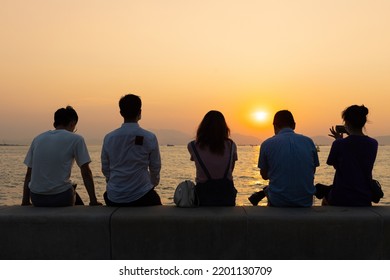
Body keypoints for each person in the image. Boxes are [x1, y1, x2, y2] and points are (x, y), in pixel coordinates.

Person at [22, 106, 101, 207]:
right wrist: (93, 201)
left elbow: (29, 173)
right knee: (72, 191)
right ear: (72, 123)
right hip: (61, 198)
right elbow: (86, 172)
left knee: (70, 189)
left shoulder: (38, 139)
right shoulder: (76, 139)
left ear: (55, 123)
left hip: (37, 198)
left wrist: (25, 202)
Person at [249, 110, 319, 207]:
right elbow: (313, 170)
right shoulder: (309, 142)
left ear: (274, 126)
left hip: (278, 201)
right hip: (305, 201)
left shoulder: (267, 144)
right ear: (294, 125)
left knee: (274, 189)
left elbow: (264, 176)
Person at [101, 94, 162, 206]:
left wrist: (113, 182)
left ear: (121, 113)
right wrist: (152, 184)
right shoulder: (149, 137)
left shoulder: (109, 138)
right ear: (140, 112)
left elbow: (105, 168)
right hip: (142, 195)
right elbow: (155, 166)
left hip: (114, 196)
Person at [315, 105, 378, 206]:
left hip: (341, 196)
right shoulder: (373, 143)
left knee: (323, 195)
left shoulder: (339, 144)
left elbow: (334, 165)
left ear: (346, 122)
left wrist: (339, 141)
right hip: (364, 196)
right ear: (363, 122)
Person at [187, 110, 238, 206]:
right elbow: (231, 169)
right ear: (224, 127)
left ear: (203, 127)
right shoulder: (231, 145)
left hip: (203, 194)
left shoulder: (193, 146)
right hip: (226, 194)